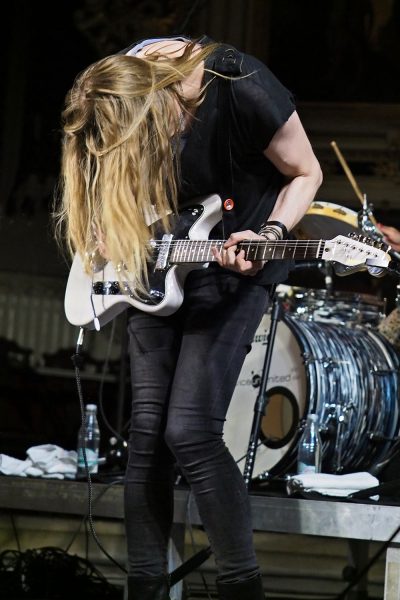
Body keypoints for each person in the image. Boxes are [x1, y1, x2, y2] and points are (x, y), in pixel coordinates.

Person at [56, 35, 322, 600]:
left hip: (240, 255)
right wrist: (107, 226)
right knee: (148, 435)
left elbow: (307, 173)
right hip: (155, 256)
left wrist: (270, 234)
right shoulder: (116, 83)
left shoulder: (241, 86)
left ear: (166, 99)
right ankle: (145, 586)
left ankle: (240, 587)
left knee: (190, 429)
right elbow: (102, 174)